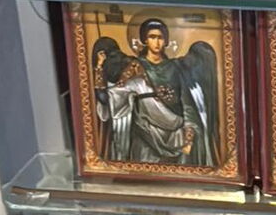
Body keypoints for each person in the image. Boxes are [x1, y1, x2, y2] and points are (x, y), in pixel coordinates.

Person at [93, 18, 218, 167]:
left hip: (176, 136)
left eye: (160, 38)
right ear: (145, 40)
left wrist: (189, 135)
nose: (157, 42)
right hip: (145, 135)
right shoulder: (135, 68)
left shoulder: (176, 68)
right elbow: (107, 98)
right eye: (152, 37)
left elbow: (187, 104)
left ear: (166, 41)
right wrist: (99, 67)